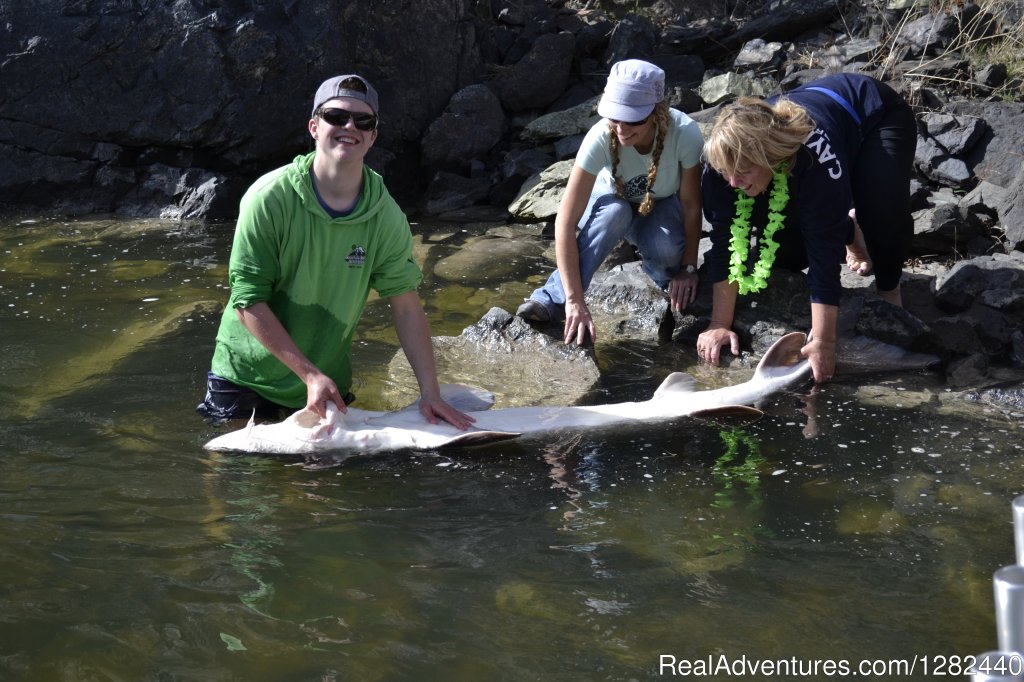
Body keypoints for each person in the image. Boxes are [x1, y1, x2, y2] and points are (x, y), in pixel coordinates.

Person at [197, 74, 473, 430]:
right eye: (336, 116)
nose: (349, 126)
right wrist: (309, 375)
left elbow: (405, 305)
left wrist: (431, 395)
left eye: (363, 121)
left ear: (373, 136)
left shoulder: (385, 215)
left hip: (328, 382)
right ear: (314, 126)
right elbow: (247, 299)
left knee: (326, 486)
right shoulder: (268, 198)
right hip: (245, 380)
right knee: (243, 483)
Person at [697, 72, 917, 383]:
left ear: (770, 158)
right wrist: (719, 322)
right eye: (726, 173)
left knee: (881, 209)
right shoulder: (719, 168)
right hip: (812, 134)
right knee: (785, 255)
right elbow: (725, 242)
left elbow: (823, 256)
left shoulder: (814, 160)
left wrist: (823, 342)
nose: (732, 182)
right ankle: (849, 229)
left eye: (743, 172)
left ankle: (889, 289)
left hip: (873, 115)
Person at [516, 59, 704, 346]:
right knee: (615, 213)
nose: (622, 129)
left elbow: (691, 205)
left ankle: (661, 278)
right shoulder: (600, 137)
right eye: (616, 117)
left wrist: (688, 268)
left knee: (665, 249)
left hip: (660, 205)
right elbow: (565, 222)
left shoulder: (685, 133)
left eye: (633, 120)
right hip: (609, 204)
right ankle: (551, 298)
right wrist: (575, 301)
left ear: (657, 111)